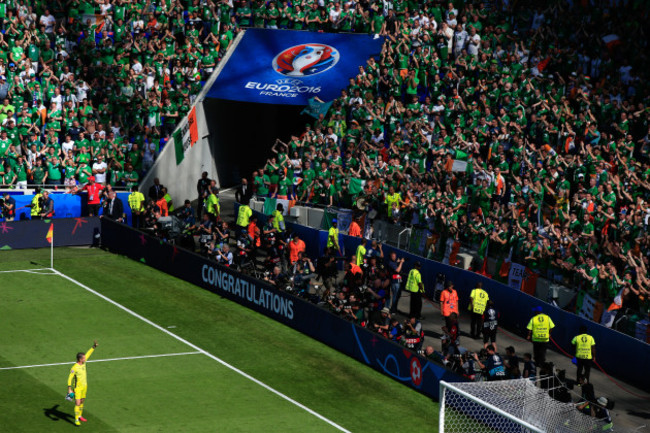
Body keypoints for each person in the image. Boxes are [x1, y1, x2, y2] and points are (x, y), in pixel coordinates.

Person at [67, 340, 98, 426]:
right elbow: (70, 378)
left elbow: (88, 354)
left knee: (82, 401)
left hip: (85, 386)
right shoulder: (74, 368)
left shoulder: (83, 363)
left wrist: (94, 346)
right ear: (80, 359)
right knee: (77, 403)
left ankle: (80, 415)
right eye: (84, 358)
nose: (85, 358)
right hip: (78, 388)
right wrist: (69, 388)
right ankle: (76, 419)